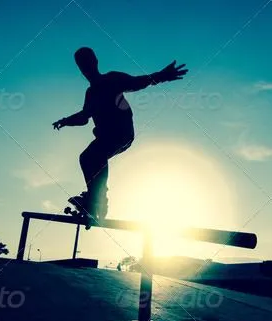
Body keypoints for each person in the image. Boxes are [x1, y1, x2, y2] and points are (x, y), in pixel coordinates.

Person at [52, 47, 188, 218]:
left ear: (95, 62)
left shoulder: (112, 79)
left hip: (121, 133)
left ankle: (98, 200)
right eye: (81, 66)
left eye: (87, 63)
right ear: (80, 68)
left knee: (96, 154)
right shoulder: (91, 93)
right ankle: (95, 197)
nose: (85, 69)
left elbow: (137, 82)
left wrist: (161, 76)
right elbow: (84, 117)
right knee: (86, 157)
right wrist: (65, 121)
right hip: (105, 136)